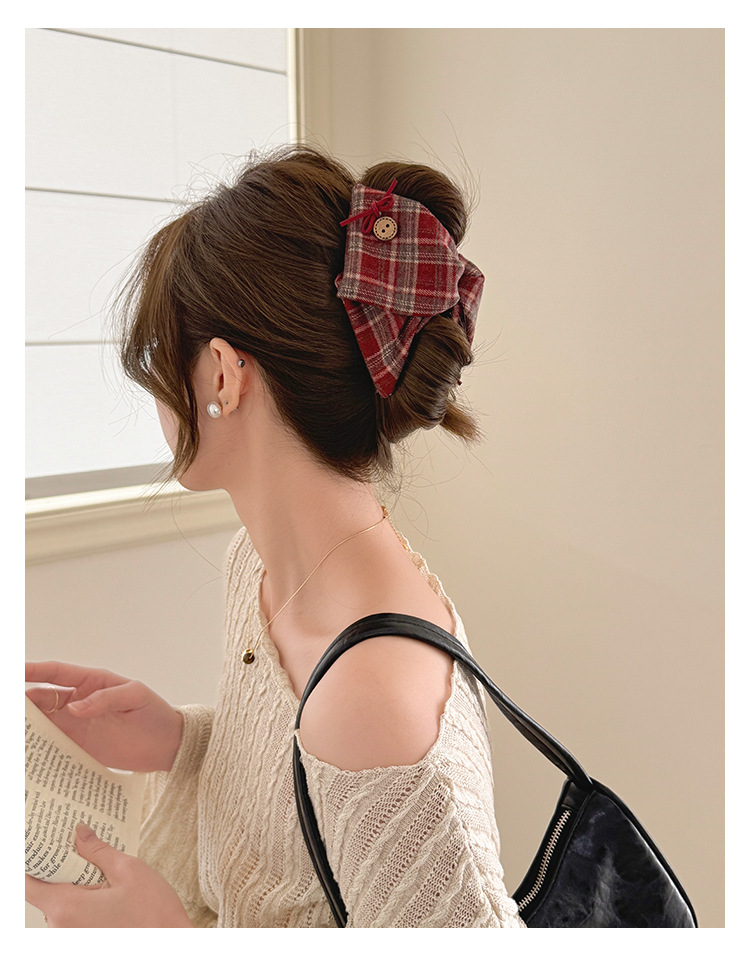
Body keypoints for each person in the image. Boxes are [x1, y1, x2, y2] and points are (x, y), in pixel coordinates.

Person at [25, 146, 525, 928]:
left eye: (160, 358)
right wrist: (183, 743)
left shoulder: (371, 698)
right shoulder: (256, 567)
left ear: (223, 375)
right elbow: (300, 839)